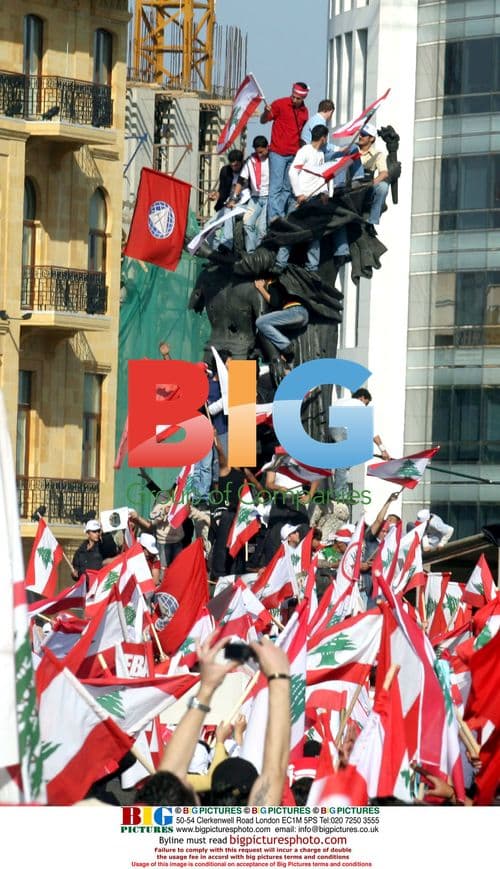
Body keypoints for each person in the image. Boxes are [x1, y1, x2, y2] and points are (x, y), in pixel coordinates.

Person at [274, 124, 330, 273]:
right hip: (299, 200)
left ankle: (312, 267)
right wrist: (299, 194)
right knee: (291, 231)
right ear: (323, 138)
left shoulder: (320, 154)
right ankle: (280, 263)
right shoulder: (304, 151)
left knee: (315, 234)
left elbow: (321, 176)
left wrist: (324, 192)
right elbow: (293, 172)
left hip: (315, 199)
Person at [260, 81, 309, 222]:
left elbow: (303, 133)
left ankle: (281, 216)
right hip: (277, 152)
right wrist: (265, 112)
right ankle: (274, 218)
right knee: (276, 187)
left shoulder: (305, 112)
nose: (294, 99)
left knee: (288, 188)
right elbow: (263, 121)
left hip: (294, 154)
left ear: (303, 98)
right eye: (293, 96)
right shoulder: (279, 104)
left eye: (298, 98)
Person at [330, 387, 390, 497]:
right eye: (366, 403)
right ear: (362, 398)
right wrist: (383, 450)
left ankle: (339, 480)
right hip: (341, 429)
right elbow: (371, 431)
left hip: (332, 427)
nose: (366, 406)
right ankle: (340, 492)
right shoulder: (359, 404)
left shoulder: (343, 400)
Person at [254, 277, 309, 370]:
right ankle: (287, 360)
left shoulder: (274, 283)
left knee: (260, 323)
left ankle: (286, 350)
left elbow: (273, 303)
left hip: (241, 343)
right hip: (301, 314)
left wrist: (261, 288)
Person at [229, 136, 270, 251]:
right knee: (247, 224)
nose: (260, 155)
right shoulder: (251, 161)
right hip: (255, 198)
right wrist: (234, 198)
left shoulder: (273, 159)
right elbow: (241, 180)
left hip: (269, 198)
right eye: (257, 153)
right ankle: (251, 254)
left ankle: (260, 253)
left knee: (262, 229)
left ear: (267, 147)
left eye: (262, 152)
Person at [355, 122, 390, 228]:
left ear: (371, 139)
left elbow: (384, 173)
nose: (360, 136)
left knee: (383, 186)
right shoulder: (352, 151)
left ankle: (372, 220)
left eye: (363, 134)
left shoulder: (377, 155)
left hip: (367, 187)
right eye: (360, 133)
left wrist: (372, 183)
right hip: (352, 187)